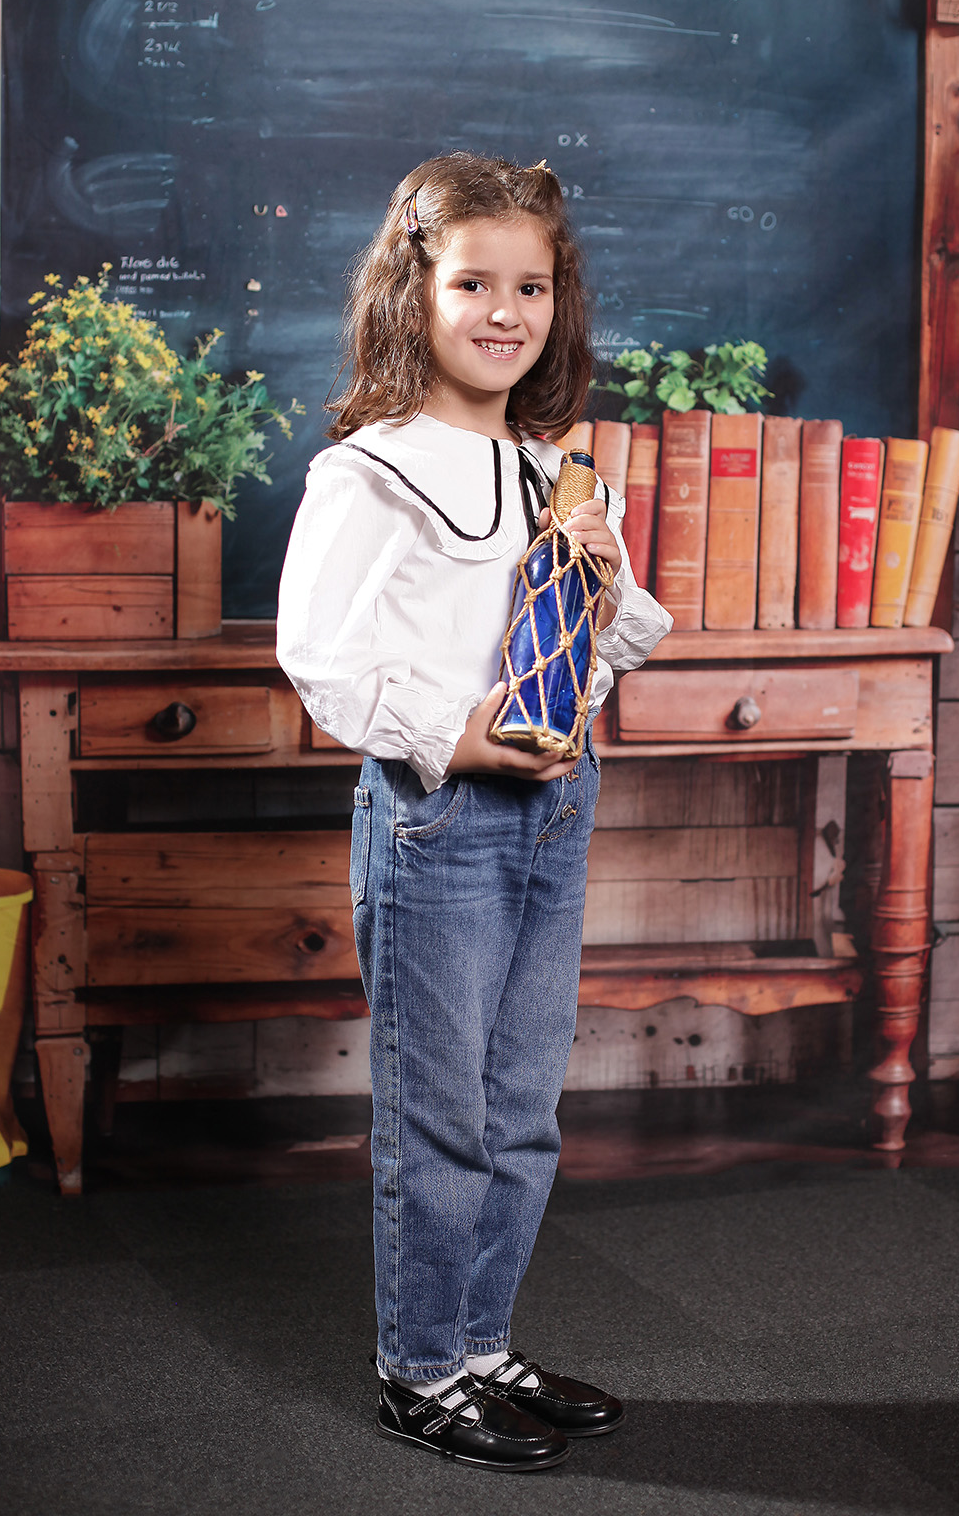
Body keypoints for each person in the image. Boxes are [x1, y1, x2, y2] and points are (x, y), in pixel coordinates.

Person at [277, 153, 671, 1472]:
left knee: (520, 1109)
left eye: (532, 287)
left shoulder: (558, 471)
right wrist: (459, 739)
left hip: (556, 811)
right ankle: (421, 1369)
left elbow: (599, 646)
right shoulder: (373, 472)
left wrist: (604, 575)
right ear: (416, 292)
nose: (506, 312)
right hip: (439, 817)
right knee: (440, 1118)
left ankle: (482, 1340)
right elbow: (320, 658)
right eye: (473, 284)